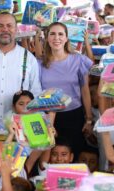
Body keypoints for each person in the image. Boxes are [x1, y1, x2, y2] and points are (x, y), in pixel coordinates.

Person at [39, 22, 93, 157]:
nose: (56, 38)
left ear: (66, 38)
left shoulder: (78, 60)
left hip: (73, 116)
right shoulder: (38, 63)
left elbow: (85, 90)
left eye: (60, 34)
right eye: (52, 34)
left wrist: (89, 119)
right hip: (47, 117)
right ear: (46, 37)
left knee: (73, 156)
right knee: (48, 157)